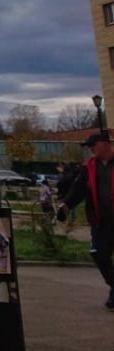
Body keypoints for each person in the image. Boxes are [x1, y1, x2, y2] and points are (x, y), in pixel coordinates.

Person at [56, 132, 114, 309]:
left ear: (105, 144)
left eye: (92, 145)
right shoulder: (88, 167)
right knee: (99, 254)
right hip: (100, 220)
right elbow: (78, 190)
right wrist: (65, 206)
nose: (89, 149)